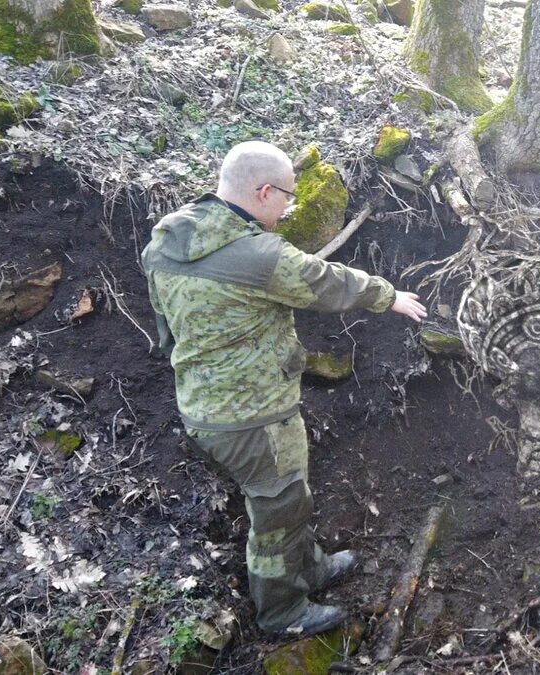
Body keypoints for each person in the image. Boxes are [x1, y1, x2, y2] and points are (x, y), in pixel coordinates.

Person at [140, 141, 427, 637]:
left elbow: (166, 328)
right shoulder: (258, 254)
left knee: (290, 496)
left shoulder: (168, 239)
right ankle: (283, 612)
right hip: (252, 417)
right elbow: (325, 282)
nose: (289, 208)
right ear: (265, 191)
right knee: (277, 510)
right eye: (288, 198)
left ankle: (310, 566)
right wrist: (389, 296)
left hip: (205, 405)